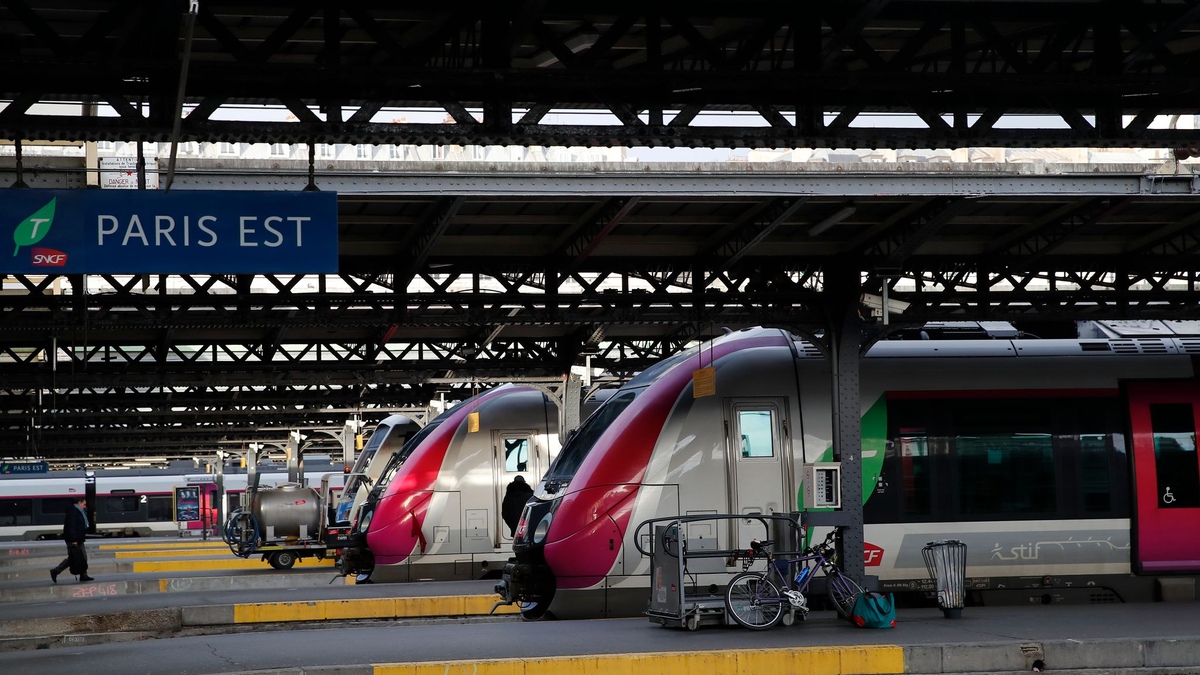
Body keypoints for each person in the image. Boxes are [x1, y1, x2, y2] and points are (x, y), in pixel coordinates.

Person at [50, 496, 93, 583]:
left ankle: (83, 574)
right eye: (84, 504)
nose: (85, 506)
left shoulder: (78, 511)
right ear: (79, 503)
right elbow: (71, 526)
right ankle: (56, 571)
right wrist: (73, 540)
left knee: (80, 557)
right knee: (75, 558)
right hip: (73, 539)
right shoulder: (73, 512)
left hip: (78, 539)